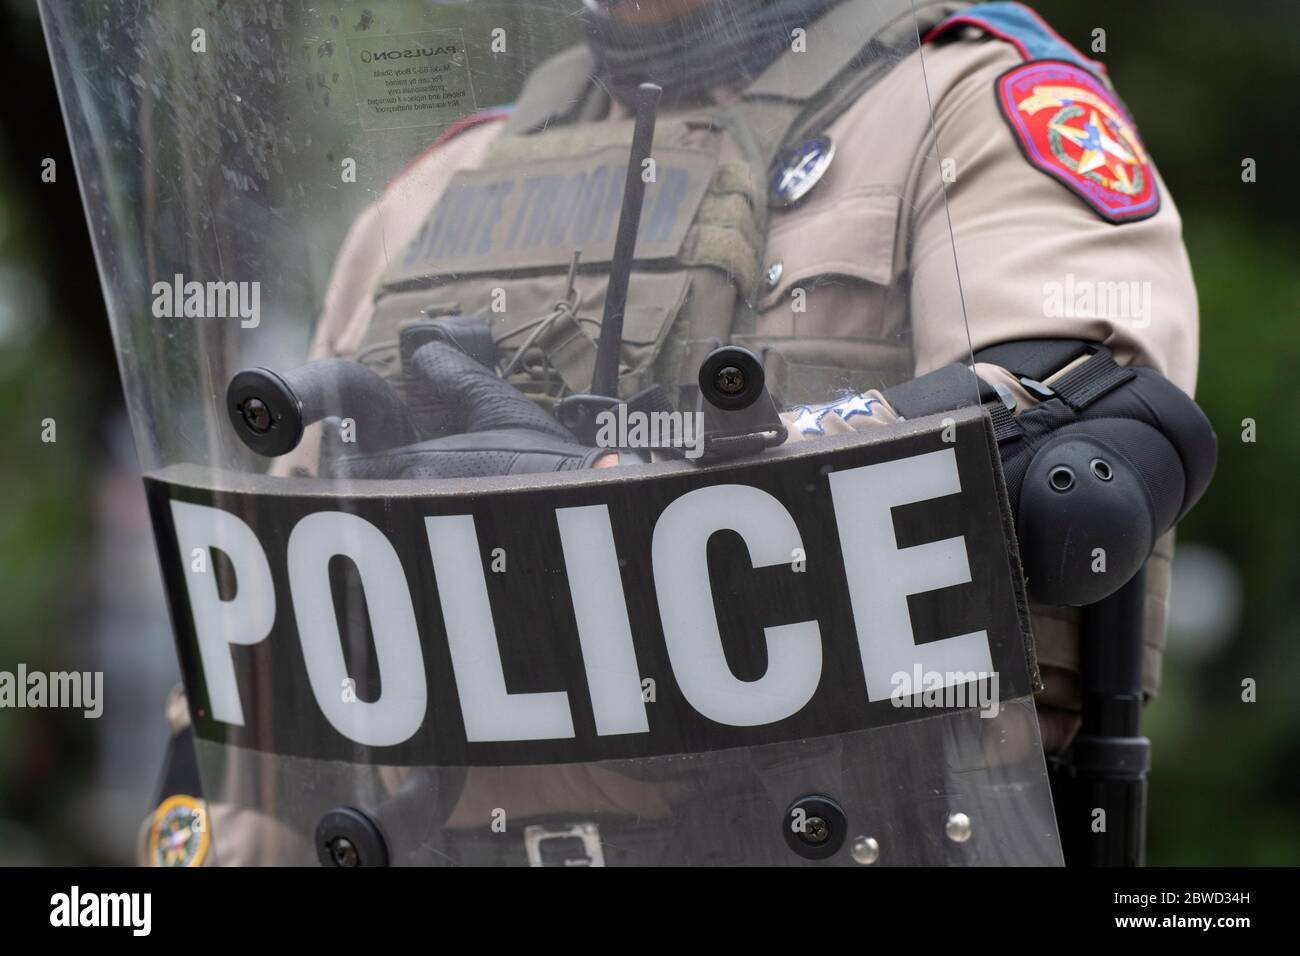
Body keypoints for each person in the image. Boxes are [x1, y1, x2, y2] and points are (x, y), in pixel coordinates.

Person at [140, 0, 1213, 864]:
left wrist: (618, 489)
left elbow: (1073, 453)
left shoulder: (961, 100)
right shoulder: (434, 191)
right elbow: (262, 669)